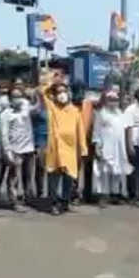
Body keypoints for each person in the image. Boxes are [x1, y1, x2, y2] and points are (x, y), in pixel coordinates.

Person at [41, 81, 88, 215]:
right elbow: (43, 92)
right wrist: (51, 83)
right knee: (53, 178)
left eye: (64, 91)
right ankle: (54, 203)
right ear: (54, 95)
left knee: (68, 177)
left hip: (70, 150)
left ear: (68, 93)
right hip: (55, 149)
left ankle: (65, 202)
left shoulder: (74, 111)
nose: (62, 95)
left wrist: (83, 149)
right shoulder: (52, 108)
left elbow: (80, 131)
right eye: (58, 92)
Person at [0, 86, 41, 211]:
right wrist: (7, 151)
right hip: (15, 149)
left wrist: (38, 95)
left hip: (28, 147)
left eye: (19, 96)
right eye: (14, 96)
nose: (17, 99)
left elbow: (37, 109)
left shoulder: (26, 106)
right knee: (14, 177)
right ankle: (14, 201)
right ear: (10, 99)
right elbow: (4, 134)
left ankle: (28, 198)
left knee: (28, 175)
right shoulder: (5, 114)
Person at [92, 90, 133, 207]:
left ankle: (115, 194)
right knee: (103, 172)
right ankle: (103, 196)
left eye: (115, 100)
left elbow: (124, 130)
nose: (113, 103)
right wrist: (97, 146)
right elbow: (96, 131)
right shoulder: (101, 114)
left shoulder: (120, 113)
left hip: (118, 148)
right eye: (111, 100)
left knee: (116, 171)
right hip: (105, 146)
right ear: (106, 101)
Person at [27, 85, 48, 198]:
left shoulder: (51, 107)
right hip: (38, 140)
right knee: (39, 166)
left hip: (50, 139)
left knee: (47, 167)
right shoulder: (35, 108)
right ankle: (36, 190)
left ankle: (46, 191)